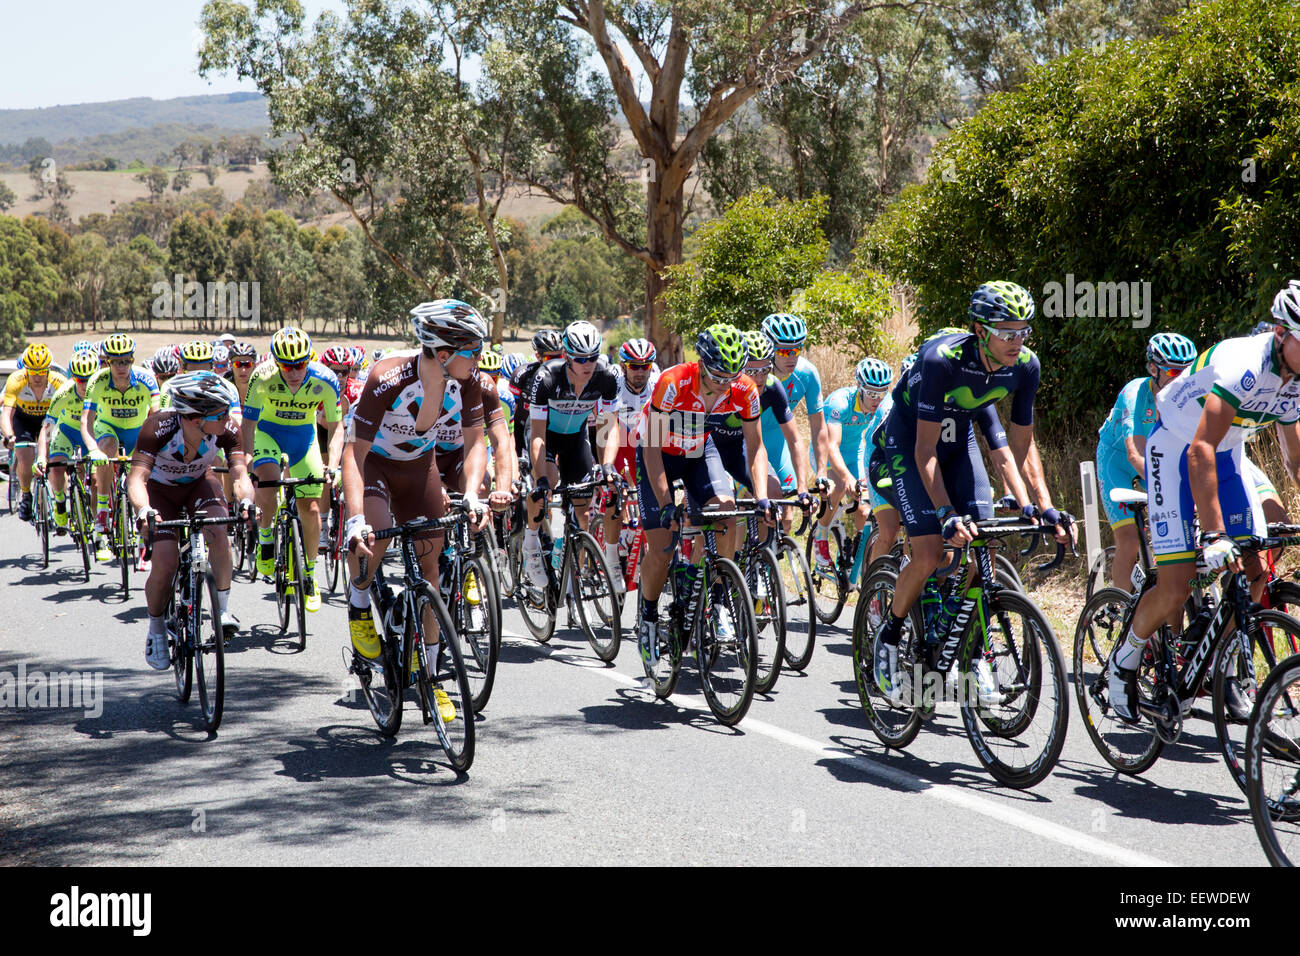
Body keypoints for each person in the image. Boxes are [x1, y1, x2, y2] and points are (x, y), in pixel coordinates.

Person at [867, 281, 1073, 705]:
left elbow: (1016, 448)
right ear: (981, 331)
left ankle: (971, 649)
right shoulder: (941, 361)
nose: (1017, 341)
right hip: (909, 444)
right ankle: (887, 637)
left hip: (958, 445)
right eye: (1006, 331)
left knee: (986, 541)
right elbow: (925, 451)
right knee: (927, 552)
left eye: (1023, 331)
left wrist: (1042, 506)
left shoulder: (1025, 366)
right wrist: (944, 513)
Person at [1107, 282, 1300, 721]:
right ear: (1281, 333)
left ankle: (1225, 670)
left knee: (1255, 568)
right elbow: (1198, 451)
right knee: (1175, 585)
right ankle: (1126, 659)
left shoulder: (1295, 380)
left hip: (1228, 450)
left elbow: (1296, 458)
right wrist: (1213, 534)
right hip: (1175, 447)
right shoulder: (1242, 365)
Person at [343, 300, 489, 723]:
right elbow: (354, 454)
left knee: (431, 573)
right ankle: (358, 604)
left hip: (419, 470)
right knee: (378, 536)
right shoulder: (386, 377)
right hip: (375, 467)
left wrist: (475, 494)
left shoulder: (469, 381)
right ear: (443, 353)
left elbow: (476, 442)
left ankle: (429, 675)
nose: (478, 358)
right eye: (473, 349)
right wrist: (355, 520)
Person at [635, 324, 771, 667]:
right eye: (717, 375)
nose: (725, 383)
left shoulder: (744, 389)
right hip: (658, 453)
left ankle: (721, 601)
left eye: (731, 376)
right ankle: (648, 617)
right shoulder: (673, 381)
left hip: (698, 451)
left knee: (727, 514)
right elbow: (651, 445)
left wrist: (762, 495)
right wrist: (667, 504)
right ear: (701, 362)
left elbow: (755, 447)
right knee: (663, 545)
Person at [129, 373, 253, 667]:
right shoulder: (158, 427)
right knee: (166, 562)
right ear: (196, 419)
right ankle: (157, 628)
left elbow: (239, 474)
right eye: (221, 413)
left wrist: (246, 500)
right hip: (159, 493)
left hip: (199, 483)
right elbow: (137, 479)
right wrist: (144, 510)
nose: (228, 418)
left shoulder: (226, 429)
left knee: (219, 532)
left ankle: (221, 611)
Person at [243, 327, 341, 612]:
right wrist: (250, 464)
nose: (294, 371)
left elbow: (336, 427)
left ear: (308, 360)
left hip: (304, 439)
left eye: (300, 364)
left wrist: (332, 467)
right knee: (270, 481)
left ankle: (309, 575)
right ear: (276, 362)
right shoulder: (261, 377)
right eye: (287, 366)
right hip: (268, 435)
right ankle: (265, 541)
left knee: (310, 508)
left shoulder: (326, 379)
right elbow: (248, 425)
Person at [521, 321, 620, 590]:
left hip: (576, 438)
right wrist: (540, 477)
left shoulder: (606, 376)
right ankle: (530, 544)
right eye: (580, 359)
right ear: (566, 356)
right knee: (547, 485)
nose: (587, 364)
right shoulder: (548, 376)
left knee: (584, 504)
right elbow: (538, 434)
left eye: (592, 357)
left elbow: (609, 428)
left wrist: (608, 465)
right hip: (547, 437)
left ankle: (573, 572)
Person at [1095, 332, 1197, 591]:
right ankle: (1120, 608)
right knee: (1129, 540)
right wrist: (1166, 490)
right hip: (1118, 462)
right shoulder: (1135, 393)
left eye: (1188, 373)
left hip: (1153, 462)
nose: (1182, 380)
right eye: (1174, 373)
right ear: (1154, 368)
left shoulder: (1186, 396)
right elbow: (1134, 453)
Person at [81, 334, 160, 558]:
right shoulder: (97, 381)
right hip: (108, 428)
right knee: (107, 446)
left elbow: (158, 417)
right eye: (116, 361)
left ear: (133, 360)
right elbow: (86, 421)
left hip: (138, 430)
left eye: (126, 360)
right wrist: (92, 449)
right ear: (108, 362)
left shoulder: (147, 379)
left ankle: (143, 521)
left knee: (142, 471)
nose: (121, 366)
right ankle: (103, 510)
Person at [814, 356, 892, 582]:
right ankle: (821, 533)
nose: (877, 399)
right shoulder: (840, 403)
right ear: (860, 387)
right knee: (838, 486)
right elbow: (831, 446)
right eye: (871, 393)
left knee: (865, 510)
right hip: (828, 452)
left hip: (856, 453)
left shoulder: (882, 407)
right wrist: (848, 477)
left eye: (882, 393)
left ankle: (856, 548)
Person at [34, 349, 100, 533]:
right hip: (67, 433)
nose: (85, 385)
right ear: (73, 377)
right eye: (80, 380)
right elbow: (47, 427)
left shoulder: (103, 392)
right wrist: (41, 457)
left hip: (93, 433)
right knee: (55, 467)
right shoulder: (64, 393)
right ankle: (61, 505)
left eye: (90, 379)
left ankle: (98, 523)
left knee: (96, 481)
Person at [2, 343, 66, 522]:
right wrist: (8, 436)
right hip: (24, 420)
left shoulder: (59, 382)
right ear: (26, 370)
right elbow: (7, 414)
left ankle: (59, 500)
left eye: (42, 372)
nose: (37, 377)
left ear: (49, 370)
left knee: (56, 460)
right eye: (33, 372)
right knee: (24, 455)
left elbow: (69, 412)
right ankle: (26, 495)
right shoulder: (16, 380)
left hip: (49, 420)